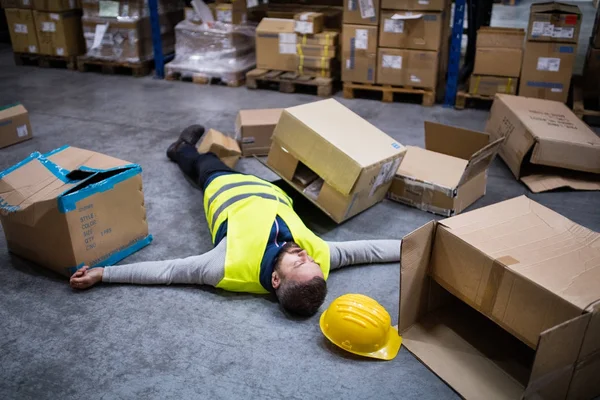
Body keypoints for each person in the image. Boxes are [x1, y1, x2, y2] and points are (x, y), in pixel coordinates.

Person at [70, 126, 401, 316]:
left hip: (226, 187)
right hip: (273, 194)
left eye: (300, 264)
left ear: (274, 280)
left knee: (205, 162)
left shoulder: (224, 266)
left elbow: (168, 271)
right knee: (325, 182)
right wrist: (422, 245)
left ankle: (181, 148)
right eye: (312, 260)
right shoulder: (319, 259)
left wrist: (104, 274)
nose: (306, 255)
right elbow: (371, 250)